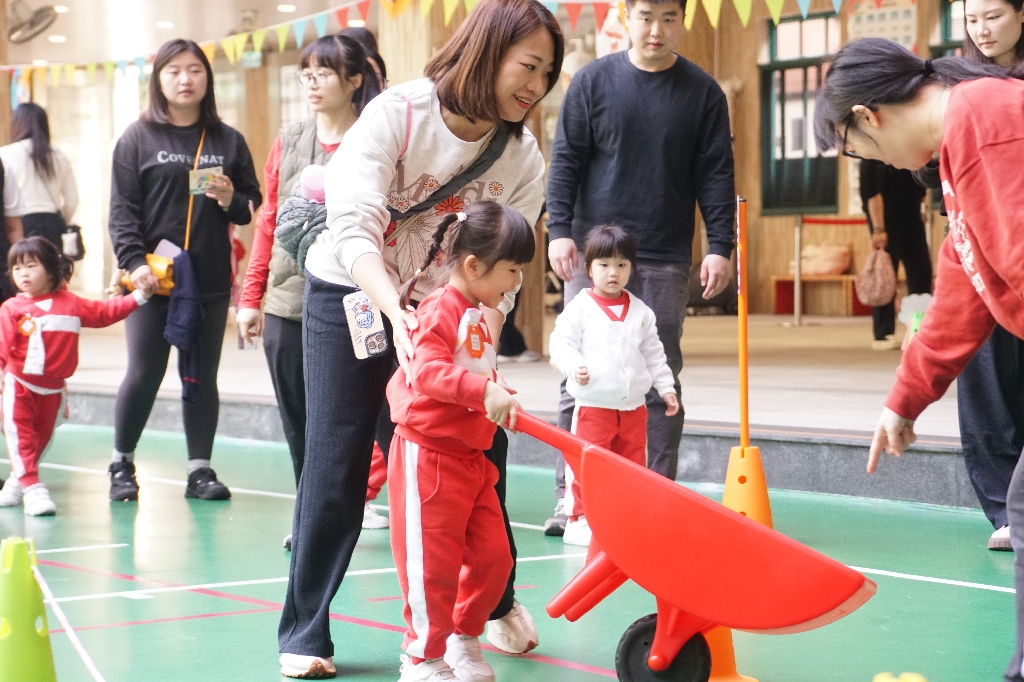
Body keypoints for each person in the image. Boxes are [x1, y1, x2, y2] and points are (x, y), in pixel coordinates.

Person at [277, 1, 562, 677]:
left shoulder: (522, 156)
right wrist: (396, 316)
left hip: (447, 311)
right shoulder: (399, 114)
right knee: (337, 459)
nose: (536, 85)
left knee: (479, 451)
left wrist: (479, 357)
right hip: (354, 293)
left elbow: (506, 274)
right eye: (528, 66)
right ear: (488, 50)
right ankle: (305, 631)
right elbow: (353, 227)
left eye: (548, 74)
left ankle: (490, 605)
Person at [813, 36, 1024, 682]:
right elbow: (963, 290)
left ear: (868, 117)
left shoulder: (984, 119)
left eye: (856, 149)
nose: (877, 162)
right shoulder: (961, 141)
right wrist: (904, 400)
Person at [543, 0, 735, 534]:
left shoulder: (703, 93)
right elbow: (566, 161)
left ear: (683, 21)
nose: (656, 29)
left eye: (669, 18)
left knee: (660, 373)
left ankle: (655, 498)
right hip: (594, 252)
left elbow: (716, 174)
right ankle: (572, 498)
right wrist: (559, 231)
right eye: (646, 16)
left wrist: (720, 244)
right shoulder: (591, 82)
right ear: (626, 17)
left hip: (665, 253)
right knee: (578, 374)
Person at [236, 35, 387, 548]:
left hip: (358, 299)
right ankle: (311, 519)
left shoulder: (376, 138)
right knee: (299, 421)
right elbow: (269, 221)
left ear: (354, 80)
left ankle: (366, 502)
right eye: (306, 74)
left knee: (375, 415)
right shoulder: (290, 139)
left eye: (324, 73)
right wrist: (250, 298)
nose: (313, 83)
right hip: (287, 300)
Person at [107, 39, 262, 503]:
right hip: (151, 281)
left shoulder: (227, 140)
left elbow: (249, 206)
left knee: (200, 375)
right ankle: (121, 464)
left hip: (208, 281)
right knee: (144, 372)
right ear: (158, 79)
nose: (185, 79)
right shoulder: (137, 137)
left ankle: (200, 471)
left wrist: (229, 198)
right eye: (174, 71)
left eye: (195, 70)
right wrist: (134, 263)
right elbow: (122, 211)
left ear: (207, 79)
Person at [387, 201, 532, 682]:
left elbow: (474, 370)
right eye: (512, 270)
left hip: (471, 458)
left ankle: (462, 637)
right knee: (431, 567)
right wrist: (483, 392)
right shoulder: (438, 309)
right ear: (473, 265)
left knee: (494, 558)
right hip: (428, 457)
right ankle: (421, 658)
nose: (516, 282)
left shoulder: (475, 314)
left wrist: (499, 391)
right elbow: (427, 373)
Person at [911, 0, 1024, 551]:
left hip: (1016, 237)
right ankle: (1004, 509)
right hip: (973, 238)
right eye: (972, 19)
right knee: (984, 377)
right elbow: (929, 166)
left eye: (993, 16)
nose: (981, 30)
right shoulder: (954, 79)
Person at [0, 237, 153, 515]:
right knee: (20, 436)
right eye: (17, 268)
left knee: (42, 439)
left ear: (50, 270)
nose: (23, 273)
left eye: (31, 266)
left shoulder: (71, 304)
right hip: (19, 385)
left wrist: (139, 296)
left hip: (53, 390)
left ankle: (15, 484)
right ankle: (32, 489)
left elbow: (105, 313)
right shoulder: (11, 308)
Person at [548, 225, 679, 546]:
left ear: (632, 268)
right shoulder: (580, 307)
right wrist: (573, 366)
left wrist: (666, 387)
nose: (613, 272)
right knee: (587, 466)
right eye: (604, 264)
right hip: (593, 408)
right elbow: (560, 345)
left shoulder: (641, 312)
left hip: (633, 409)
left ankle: (626, 519)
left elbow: (654, 354)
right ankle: (579, 519)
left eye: (621, 264)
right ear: (588, 268)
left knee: (631, 467)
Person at [859, 160, 932, 351]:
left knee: (921, 273)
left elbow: (920, 189)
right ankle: (883, 333)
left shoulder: (908, 154)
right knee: (884, 277)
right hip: (886, 222)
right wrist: (878, 229)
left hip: (912, 219)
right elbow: (872, 193)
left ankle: (919, 327)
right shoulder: (872, 159)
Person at [0, 103, 78, 251]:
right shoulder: (58, 155)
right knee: (52, 265)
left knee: (24, 264)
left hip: (20, 225)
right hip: (53, 224)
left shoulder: (6, 155)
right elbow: (72, 200)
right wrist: (61, 220)